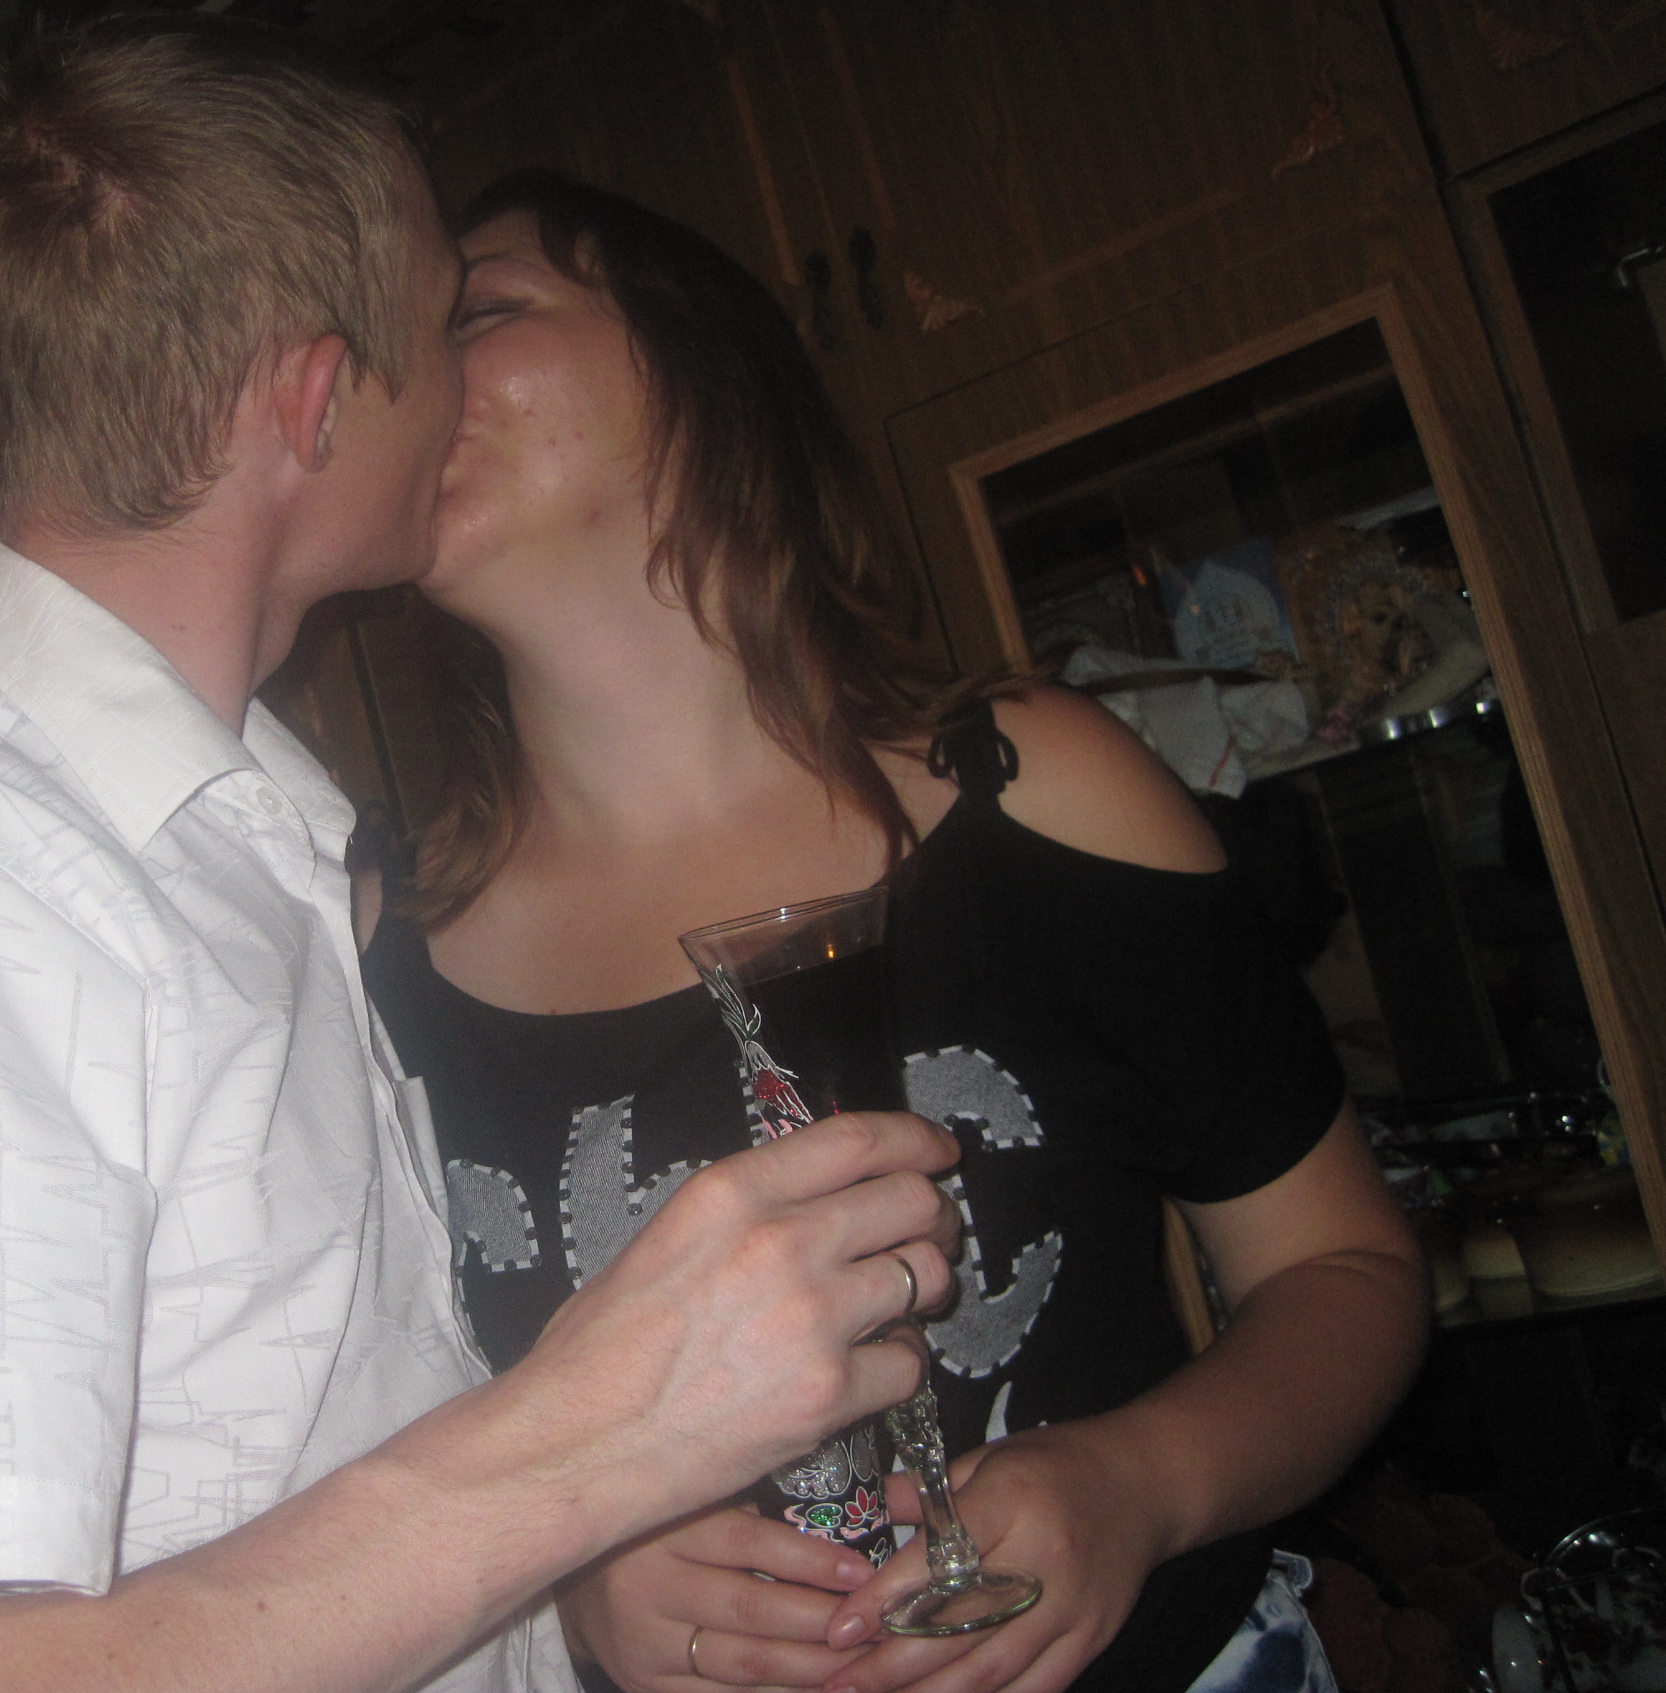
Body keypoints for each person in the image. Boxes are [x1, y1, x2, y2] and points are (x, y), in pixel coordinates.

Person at [0, 23, 967, 1693]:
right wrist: (595, 1436)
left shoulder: (231, 853)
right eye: (441, 328)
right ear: (318, 403)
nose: (460, 388)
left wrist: (566, 1596)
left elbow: (281, 1500)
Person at [361, 171, 1430, 1693]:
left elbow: (1346, 1272)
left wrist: (1139, 1484)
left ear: (702, 368)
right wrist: (559, 1585)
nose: (405, 373)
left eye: (478, 312)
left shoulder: (1039, 793)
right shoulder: (367, 956)